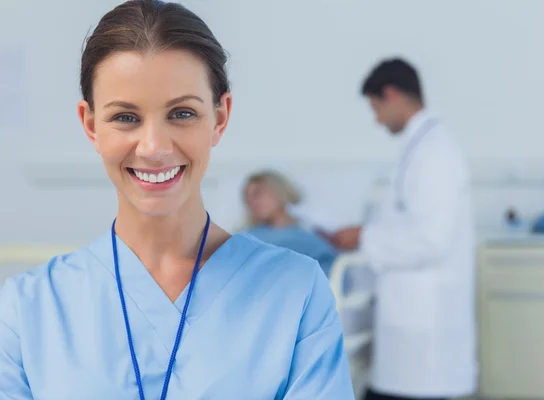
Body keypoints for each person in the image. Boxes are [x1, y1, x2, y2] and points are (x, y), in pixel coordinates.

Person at [0, 1, 354, 398]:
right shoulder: (27, 310)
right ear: (90, 124)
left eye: (182, 113)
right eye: (125, 117)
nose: (153, 148)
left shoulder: (296, 292)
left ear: (220, 118)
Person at [330, 58, 477, 400]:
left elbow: (432, 239)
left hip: (427, 338)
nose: (376, 118)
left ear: (392, 94)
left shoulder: (435, 152)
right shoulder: (419, 148)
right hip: (411, 331)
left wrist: (363, 238)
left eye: (375, 106)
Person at [243, 170, 339, 277]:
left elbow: (332, 270)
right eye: (247, 196)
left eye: (258, 193)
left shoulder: (310, 234)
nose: (250, 200)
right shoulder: (247, 237)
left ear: (278, 191)